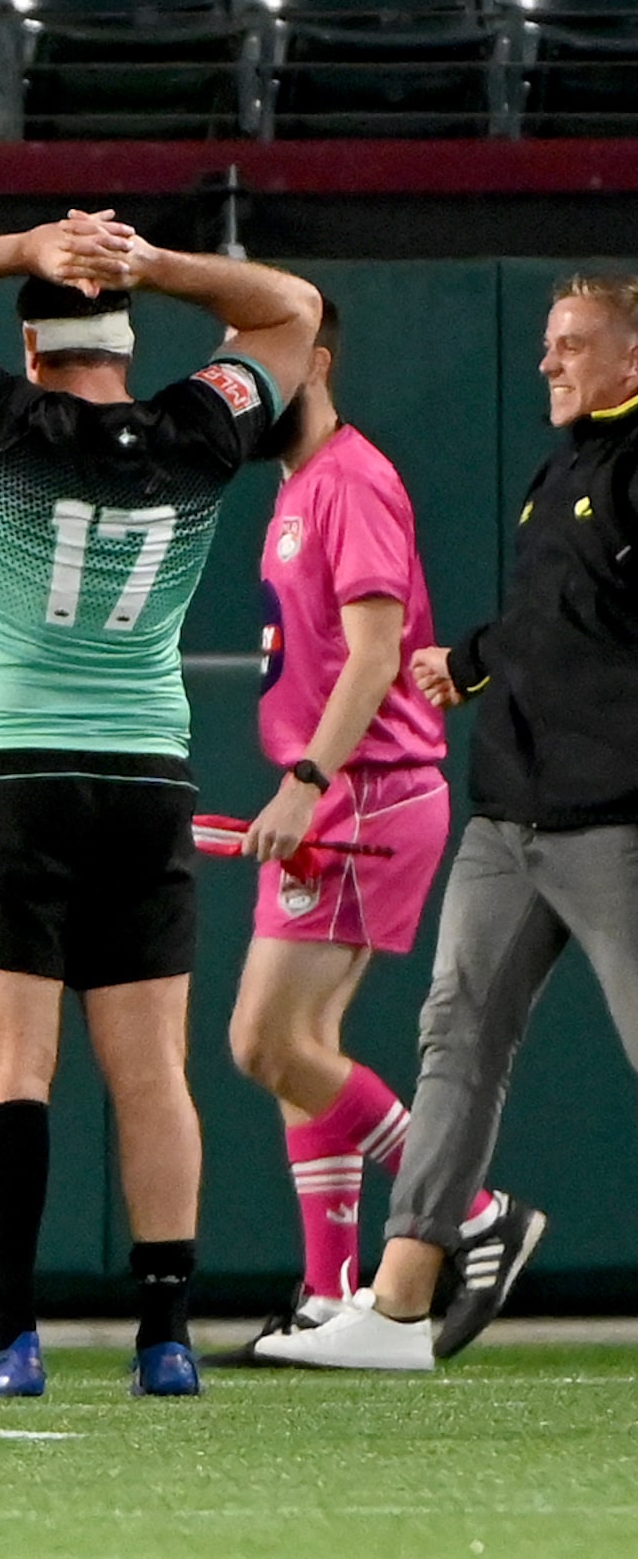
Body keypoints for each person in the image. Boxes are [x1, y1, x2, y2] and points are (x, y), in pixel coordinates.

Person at [0, 213, 318, 1400]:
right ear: (126, 339)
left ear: (34, 343)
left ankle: (8, 1340)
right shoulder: (194, 428)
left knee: (9, 1068)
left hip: (10, 772)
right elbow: (289, 308)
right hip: (146, 776)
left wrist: (21, 244)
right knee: (151, 1071)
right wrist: (150, 263)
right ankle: (164, 1340)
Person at [252, 273, 638, 1371]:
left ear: (630, 362)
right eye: (546, 342)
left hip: (609, 815)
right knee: (454, 1034)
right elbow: (548, 622)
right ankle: (400, 1303)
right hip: (508, 810)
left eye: (570, 345)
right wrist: (469, 661)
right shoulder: (562, 465)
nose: (545, 362)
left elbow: (588, 642)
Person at [207, 298, 505, 1363]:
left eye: (261, 363)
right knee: (300, 1054)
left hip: (361, 790)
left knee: (262, 1040)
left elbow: (376, 654)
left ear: (316, 361)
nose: (239, 390)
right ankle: (330, 1290)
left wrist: (303, 780)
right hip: (336, 790)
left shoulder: (352, 477)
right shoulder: (297, 485)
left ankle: (467, 1209)